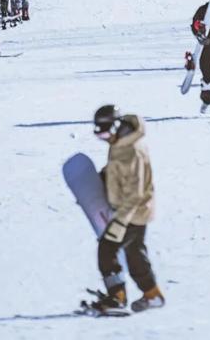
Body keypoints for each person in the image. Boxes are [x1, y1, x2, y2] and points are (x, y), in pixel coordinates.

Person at [84, 105, 164, 314]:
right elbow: (119, 171)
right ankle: (152, 294)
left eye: (104, 134)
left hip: (131, 212)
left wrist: (119, 222)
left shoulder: (131, 151)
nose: (104, 139)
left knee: (107, 250)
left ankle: (118, 297)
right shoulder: (121, 141)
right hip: (134, 210)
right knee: (134, 254)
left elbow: (134, 193)